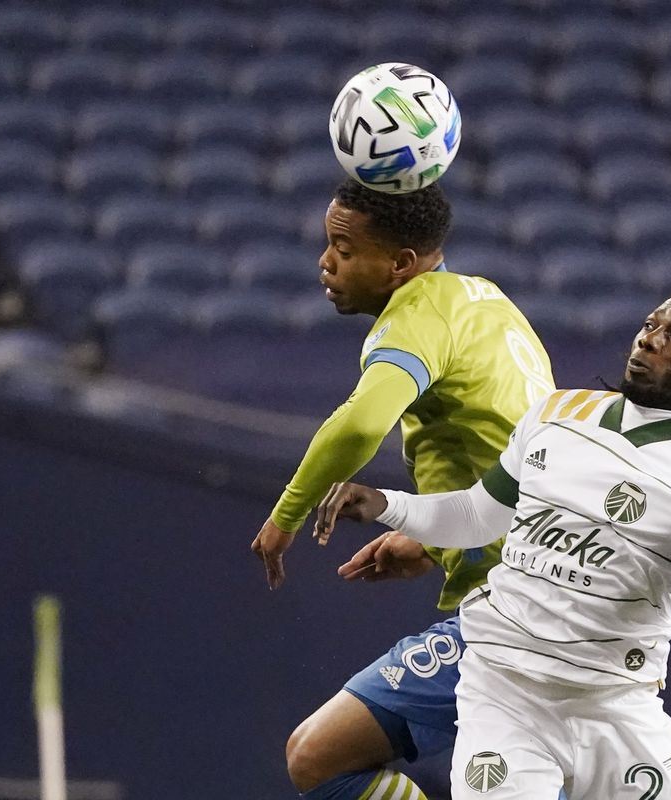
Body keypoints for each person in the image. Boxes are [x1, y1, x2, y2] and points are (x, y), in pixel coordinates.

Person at [316, 287, 671, 798]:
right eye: (651, 324)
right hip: (502, 690)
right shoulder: (558, 413)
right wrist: (389, 505)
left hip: (615, 706)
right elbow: (479, 515)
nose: (650, 338)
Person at [252, 178, 554, 799]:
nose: (325, 261)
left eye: (343, 246)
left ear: (400, 265)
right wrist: (432, 545)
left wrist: (286, 516)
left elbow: (363, 421)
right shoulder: (486, 302)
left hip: (520, 613)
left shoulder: (419, 314)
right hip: (560, 596)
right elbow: (516, 455)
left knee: (317, 760)